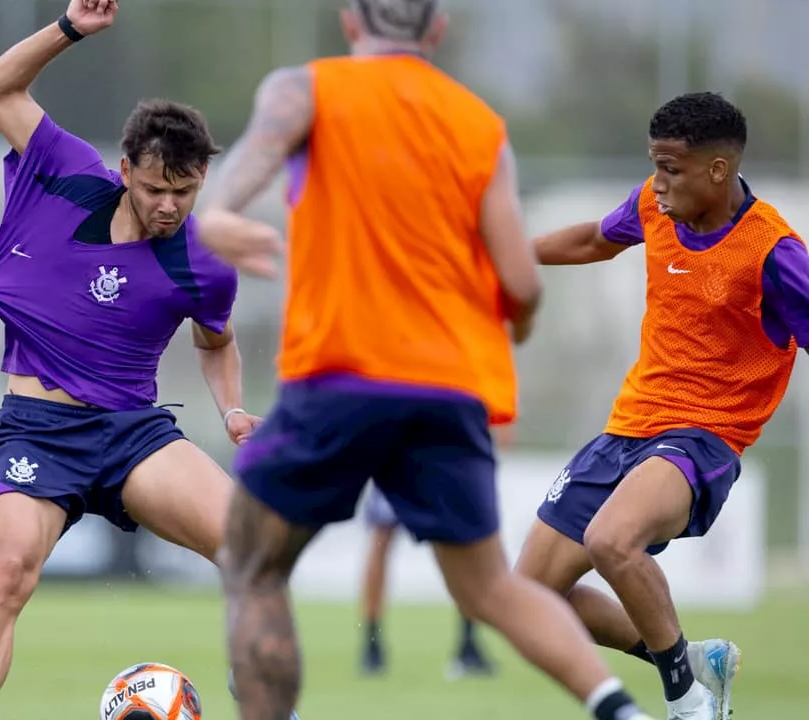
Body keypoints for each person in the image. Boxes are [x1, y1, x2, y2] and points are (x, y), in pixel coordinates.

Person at [193, 2, 658, 719]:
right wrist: (522, 326)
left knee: (254, 568)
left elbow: (253, 157)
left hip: (340, 376)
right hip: (449, 388)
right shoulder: (481, 128)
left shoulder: (306, 86)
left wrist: (219, 213)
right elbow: (524, 283)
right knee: (492, 590)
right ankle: (618, 706)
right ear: (437, 30)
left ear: (351, 22)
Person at [0, 3, 287, 720]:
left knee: (251, 548)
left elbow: (214, 343)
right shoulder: (63, 172)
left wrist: (228, 408)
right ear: (125, 167)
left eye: (185, 192)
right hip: (37, 427)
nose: (168, 206)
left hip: (132, 434)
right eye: (156, 188)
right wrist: (69, 29)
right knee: (6, 573)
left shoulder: (204, 264)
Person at [515, 90, 806, 720]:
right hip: (627, 427)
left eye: (671, 168)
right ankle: (695, 660)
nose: (658, 182)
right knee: (527, 595)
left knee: (611, 540)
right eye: (655, 165)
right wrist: (502, 254)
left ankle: (688, 703)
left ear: (718, 170)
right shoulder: (655, 205)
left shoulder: (773, 252)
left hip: (702, 439)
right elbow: (595, 239)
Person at [358, 425, 516, 680]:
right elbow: (504, 429)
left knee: (386, 540)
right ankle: (464, 644)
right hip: (437, 453)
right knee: (452, 542)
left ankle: (372, 646)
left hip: (405, 447)